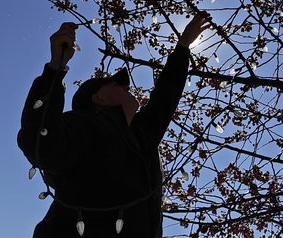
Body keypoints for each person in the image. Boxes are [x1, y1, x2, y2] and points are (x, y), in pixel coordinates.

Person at [18, 14, 211, 237]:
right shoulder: (86, 125)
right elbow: (40, 143)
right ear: (99, 100)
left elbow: (165, 97)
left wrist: (183, 47)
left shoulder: (142, 134)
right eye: (117, 83)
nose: (127, 86)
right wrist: (55, 69)